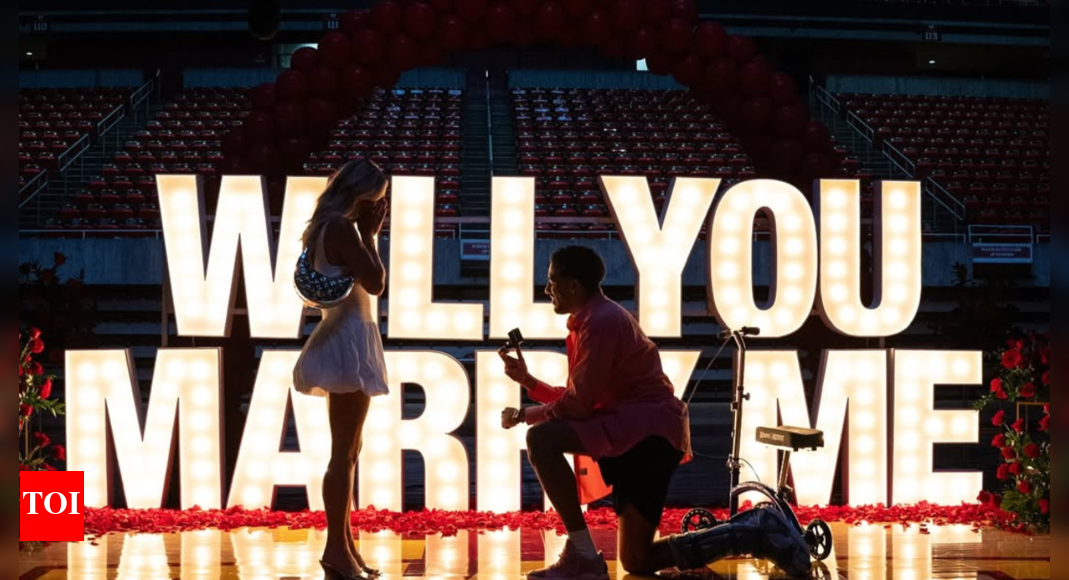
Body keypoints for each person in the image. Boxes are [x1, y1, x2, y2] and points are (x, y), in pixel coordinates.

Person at [499, 245, 812, 579]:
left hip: (643, 438)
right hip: (634, 436)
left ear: (573, 285)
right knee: (637, 560)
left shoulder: (600, 323)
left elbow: (577, 405)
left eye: (551, 281)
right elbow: (581, 399)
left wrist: (525, 415)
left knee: (541, 439)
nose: (547, 289)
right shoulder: (595, 320)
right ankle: (752, 531)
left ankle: (583, 554)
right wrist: (529, 382)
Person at [293, 159, 390, 580]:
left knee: (350, 453)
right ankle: (336, 550)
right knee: (342, 455)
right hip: (349, 340)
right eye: (377, 200)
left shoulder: (324, 226)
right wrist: (371, 235)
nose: (379, 207)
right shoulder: (343, 228)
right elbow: (375, 281)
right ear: (362, 194)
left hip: (346, 334)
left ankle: (345, 548)